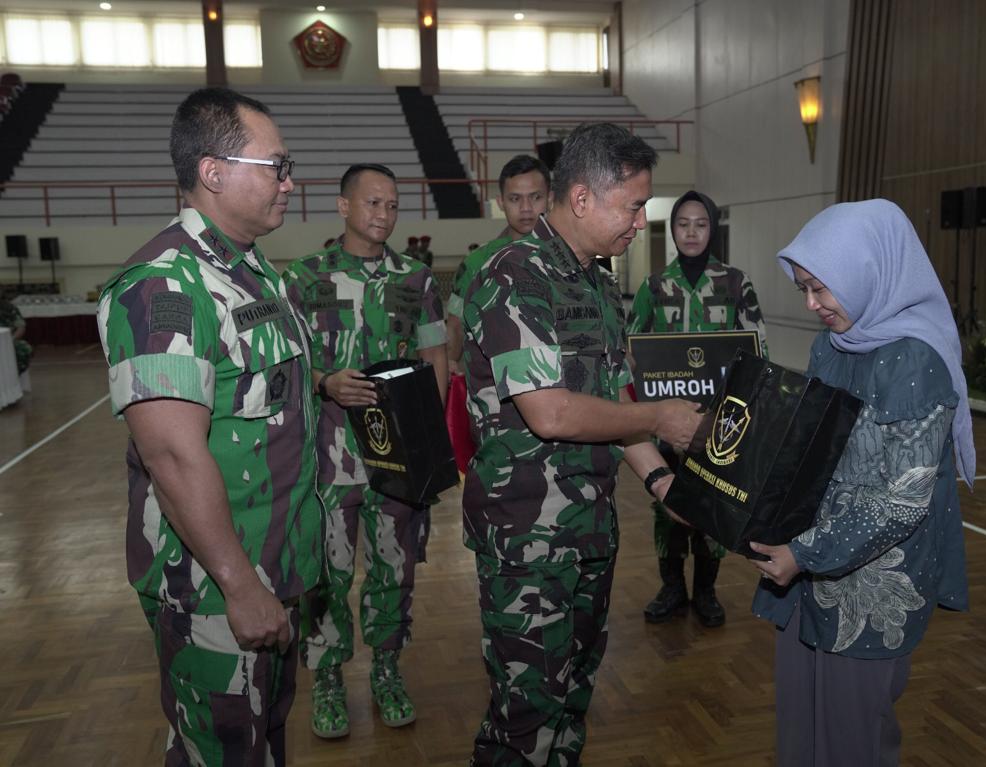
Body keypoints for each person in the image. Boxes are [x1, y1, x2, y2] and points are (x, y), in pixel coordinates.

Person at [462, 122, 704, 765]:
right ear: (581, 199)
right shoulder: (514, 274)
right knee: (525, 715)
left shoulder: (600, 285)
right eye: (632, 207)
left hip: (589, 528)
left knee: (570, 702)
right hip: (527, 538)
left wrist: (661, 484)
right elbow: (550, 412)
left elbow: (617, 402)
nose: (639, 222)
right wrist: (659, 420)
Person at [96, 87, 320, 765]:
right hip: (214, 591)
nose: (290, 180)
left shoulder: (251, 271)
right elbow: (170, 456)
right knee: (220, 751)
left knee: (259, 742)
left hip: (273, 566)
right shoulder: (163, 286)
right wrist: (242, 586)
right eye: (276, 165)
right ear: (213, 172)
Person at [748, 199, 974, 766]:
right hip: (806, 566)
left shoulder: (914, 359)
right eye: (803, 289)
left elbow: (901, 502)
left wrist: (803, 553)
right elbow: (813, 444)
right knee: (801, 727)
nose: (812, 304)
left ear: (868, 271)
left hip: (869, 581)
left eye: (821, 288)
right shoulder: (834, 344)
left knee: (853, 741)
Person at [283, 163, 447, 738]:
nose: (383, 215)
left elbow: (435, 358)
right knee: (326, 575)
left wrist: (432, 438)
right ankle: (327, 678)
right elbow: (289, 364)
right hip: (330, 459)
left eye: (392, 205)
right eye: (372, 203)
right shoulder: (305, 278)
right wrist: (326, 381)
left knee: (394, 569)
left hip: (396, 459)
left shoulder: (417, 279)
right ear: (344, 207)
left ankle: (385, 669)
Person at [626, 190, 768, 627]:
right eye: (683, 224)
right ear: (672, 231)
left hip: (716, 422)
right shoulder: (654, 286)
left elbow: (757, 348)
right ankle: (672, 587)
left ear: (713, 229)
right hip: (667, 421)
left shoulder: (735, 283)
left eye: (700, 224)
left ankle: (706, 591)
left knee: (710, 506)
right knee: (667, 504)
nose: (691, 232)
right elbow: (632, 349)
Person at [446, 154, 551, 376]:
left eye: (535, 197)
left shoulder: (572, 258)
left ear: (550, 198)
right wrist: (449, 363)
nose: (525, 208)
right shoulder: (477, 262)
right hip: (494, 391)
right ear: (501, 202)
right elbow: (455, 325)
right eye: (515, 199)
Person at [0, 297, 32, 373]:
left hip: (7, 341)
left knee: (23, 348)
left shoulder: (9, 307)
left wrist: (11, 340)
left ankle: (12, 377)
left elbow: (21, 327)